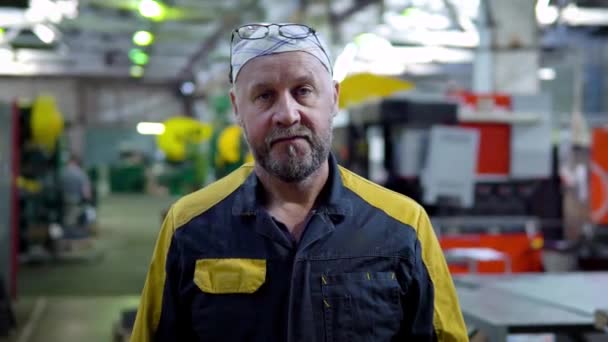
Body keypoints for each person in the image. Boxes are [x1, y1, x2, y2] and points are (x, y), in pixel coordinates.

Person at [131, 23, 467, 341]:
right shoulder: (189, 225)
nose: (287, 114)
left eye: (303, 91)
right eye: (264, 96)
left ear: (333, 98)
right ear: (237, 107)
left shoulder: (404, 225)